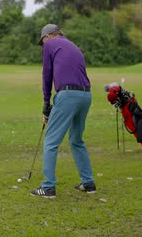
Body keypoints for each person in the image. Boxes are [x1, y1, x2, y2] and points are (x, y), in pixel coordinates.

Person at [30, 24, 96, 198]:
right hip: (86, 95)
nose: (43, 45)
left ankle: (48, 187)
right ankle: (89, 184)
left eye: (42, 41)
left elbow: (47, 75)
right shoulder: (73, 45)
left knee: (51, 141)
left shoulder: (50, 45)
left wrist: (46, 104)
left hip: (67, 95)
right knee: (76, 139)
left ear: (48, 36)